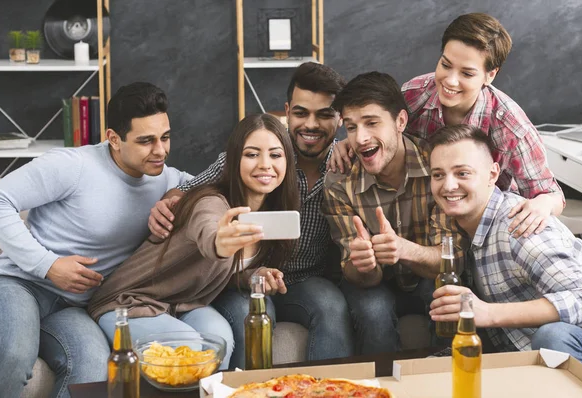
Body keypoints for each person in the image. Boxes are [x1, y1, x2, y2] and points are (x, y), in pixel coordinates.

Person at [0, 82, 192, 398]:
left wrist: (178, 193)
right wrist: (49, 264)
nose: (161, 150)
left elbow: (209, 185)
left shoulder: (164, 176)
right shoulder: (73, 166)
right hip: (19, 284)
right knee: (13, 353)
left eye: (165, 137)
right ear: (113, 139)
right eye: (146, 141)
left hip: (75, 306)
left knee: (95, 370)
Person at [147, 62, 355, 369]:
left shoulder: (346, 164)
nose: (310, 124)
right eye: (300, 113)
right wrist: (167, 203)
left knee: (330, 306)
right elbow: (187, 192)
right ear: (287, 111)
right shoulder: (260, 152)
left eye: (324, 114)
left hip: (304, 279)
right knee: (256, 316)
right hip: (240, 279)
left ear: (340, 119)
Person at [88, 113, 299, 370]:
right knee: (186, 346)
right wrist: (219, 243)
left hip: (182, 304)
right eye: (252, 154)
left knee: (219, 340)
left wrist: (254, 274)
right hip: (129, 302)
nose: (265, 164)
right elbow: (209, 233)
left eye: (275, 155)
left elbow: (215, 271)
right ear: (233, 160)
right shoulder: (211, 203)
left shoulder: (267, 217)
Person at [329, 13, 564, 238]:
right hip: (432, 223)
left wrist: (544, 203)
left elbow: (552, 195)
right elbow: (382, 130)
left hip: (487, 225)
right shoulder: (413, 95)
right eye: (445, 64)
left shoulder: (512, 128)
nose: (450, 80)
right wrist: (348, 145)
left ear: (490, 75)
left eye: (467, 73)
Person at [323, 71, 460, 355]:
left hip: (426, 277)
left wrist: (403, 249)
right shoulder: (340, 182)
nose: (360, 138)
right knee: (373, 309)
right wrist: (365, 264)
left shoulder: (435, 167)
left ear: (400, 121)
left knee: (448, 292)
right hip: (375, 287)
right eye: (350, 127)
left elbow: (451, 260)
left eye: (372, 123)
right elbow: (357, 276)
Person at [428, 124, 582, 365]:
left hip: (570, 343)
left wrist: (488, 314)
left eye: (462, 173)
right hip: (521, 355)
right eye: (438, 175)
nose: (448, 186)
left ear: (493, 174)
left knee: (554, 337)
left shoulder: (519, 229)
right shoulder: (461, 226)